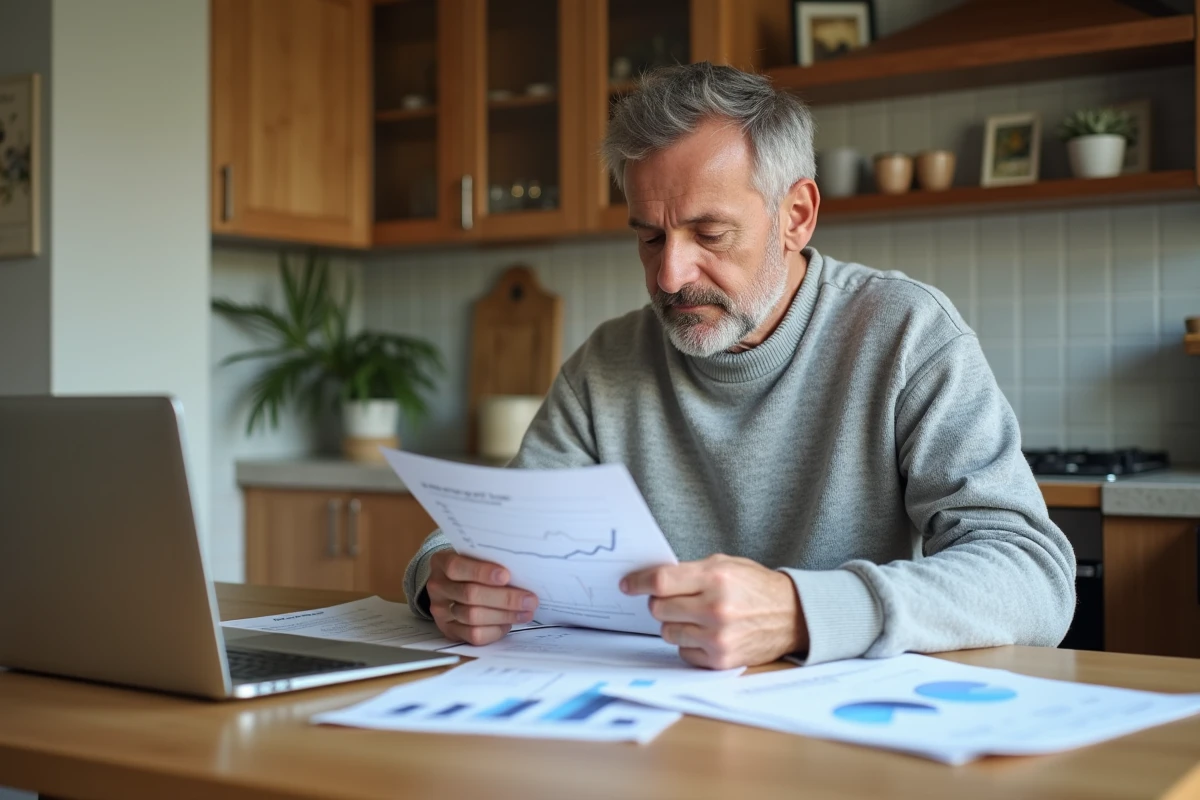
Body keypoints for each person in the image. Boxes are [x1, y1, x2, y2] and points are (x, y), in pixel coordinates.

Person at [403, 62, 1075, 669]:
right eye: (649, 236)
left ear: (797, 216)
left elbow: (1033, 577)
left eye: (709, 234)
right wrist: (443, 580)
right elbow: (496, 532)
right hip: (647, 731)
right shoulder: (605, 364)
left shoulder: (906, 334)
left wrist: (800, 611)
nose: (670, 275)